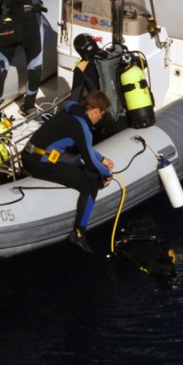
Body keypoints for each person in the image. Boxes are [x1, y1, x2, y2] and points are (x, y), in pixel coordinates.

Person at [21, 90, 115, 254]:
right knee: (90, 184)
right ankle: (79, 232)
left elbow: (84, 148)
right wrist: (106, 174)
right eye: (101, 114)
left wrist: (101, 158)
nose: (100, 118)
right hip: (39, 164)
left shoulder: (70, 111)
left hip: (28, 155)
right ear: (95, 110)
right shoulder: (82, 126)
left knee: (77, 168)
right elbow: (90, 163)